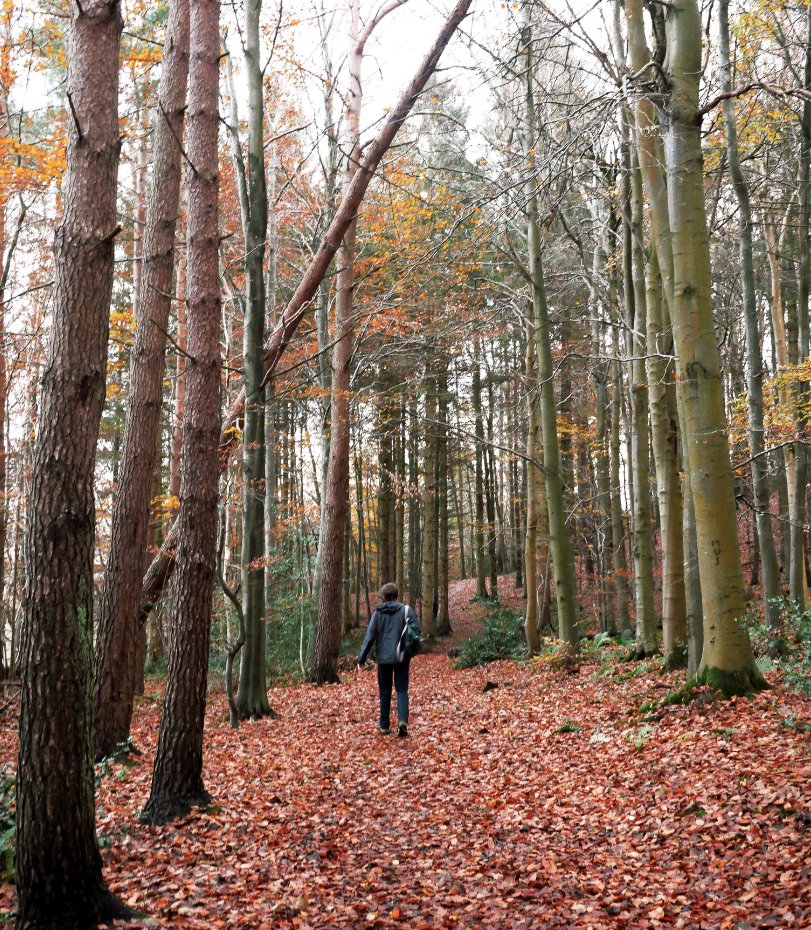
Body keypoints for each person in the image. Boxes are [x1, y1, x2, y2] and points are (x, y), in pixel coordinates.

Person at [357, 582, 420, 737]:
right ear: (396, 595)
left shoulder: (378, 613)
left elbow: (370, 636)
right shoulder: (406, 610)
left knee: (385, 691)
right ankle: (402, 721)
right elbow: (416, 631)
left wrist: (361, 659)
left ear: (384, 597)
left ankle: (384, 726)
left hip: (383, 659)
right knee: (402, 690)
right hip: (401, 657)